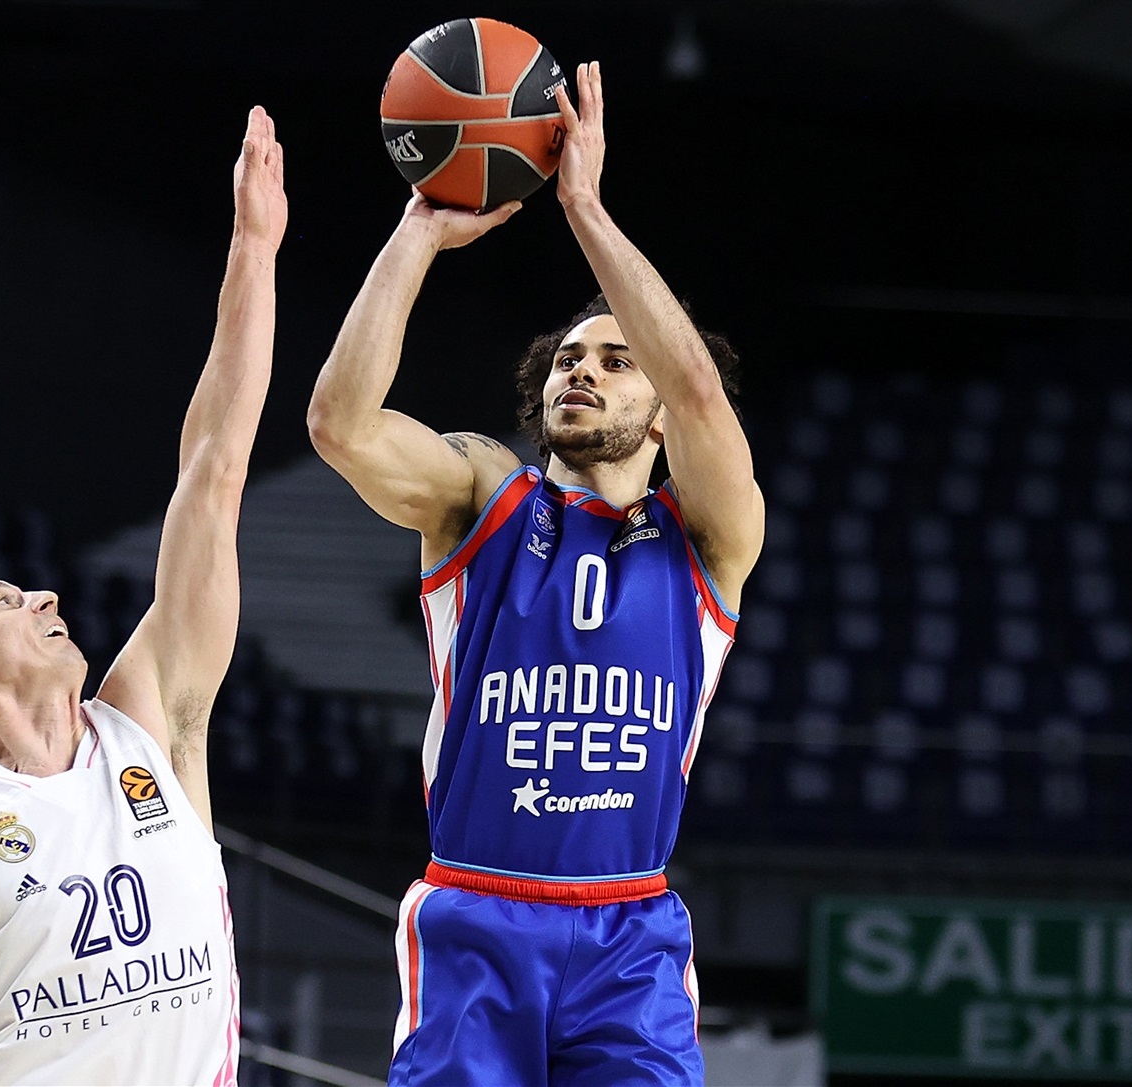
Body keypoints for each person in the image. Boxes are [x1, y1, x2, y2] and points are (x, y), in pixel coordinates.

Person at [307, 61, 764, 1085]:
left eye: (615, 360)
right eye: (567, 358)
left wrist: (586, 212)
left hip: (629, 930)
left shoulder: (711, 536)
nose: (581, 368)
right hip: (477, 911)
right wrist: (419, 231)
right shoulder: (483, 494)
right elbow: (338, 425)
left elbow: (698, 387)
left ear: (659, 416)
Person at [0, 105, 287, 1087]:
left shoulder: (151, 722)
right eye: (4, 599)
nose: (41, 595)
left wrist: (253, 250)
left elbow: (215, 473)